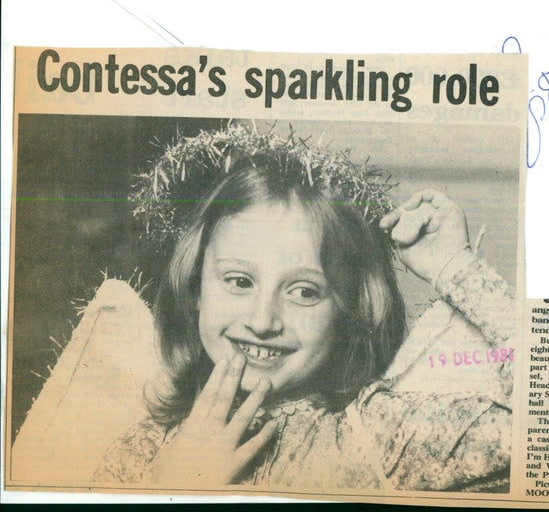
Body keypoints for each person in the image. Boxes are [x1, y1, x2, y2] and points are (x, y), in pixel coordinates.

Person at [94, 125, 515, 491]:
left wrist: (453, 267)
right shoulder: (145, 449)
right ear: (195, 288)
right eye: (240, 282)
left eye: (304, 292)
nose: (262, 322)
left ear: (352, 310)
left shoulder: (379, 434)